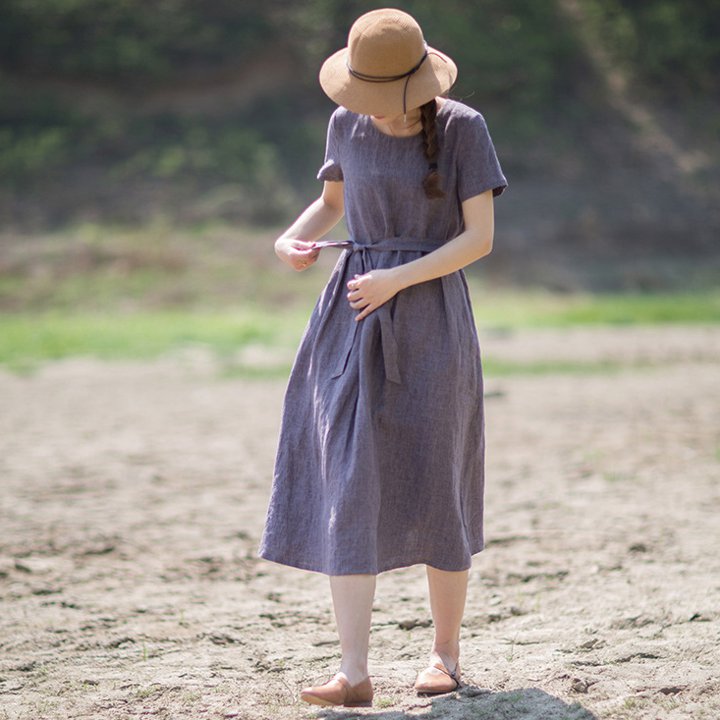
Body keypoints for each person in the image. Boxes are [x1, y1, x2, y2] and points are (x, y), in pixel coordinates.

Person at [257, 7, 507, 708]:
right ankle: (354, 671)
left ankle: (445, 655)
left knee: (437, 475)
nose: (375, 111)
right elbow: (330, 203)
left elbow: (479, 238)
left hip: (431, 315)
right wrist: (291, 239)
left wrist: (399, 277)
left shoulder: (464, 127)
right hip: (350, 314)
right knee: (347, 479)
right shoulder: (345, 125)